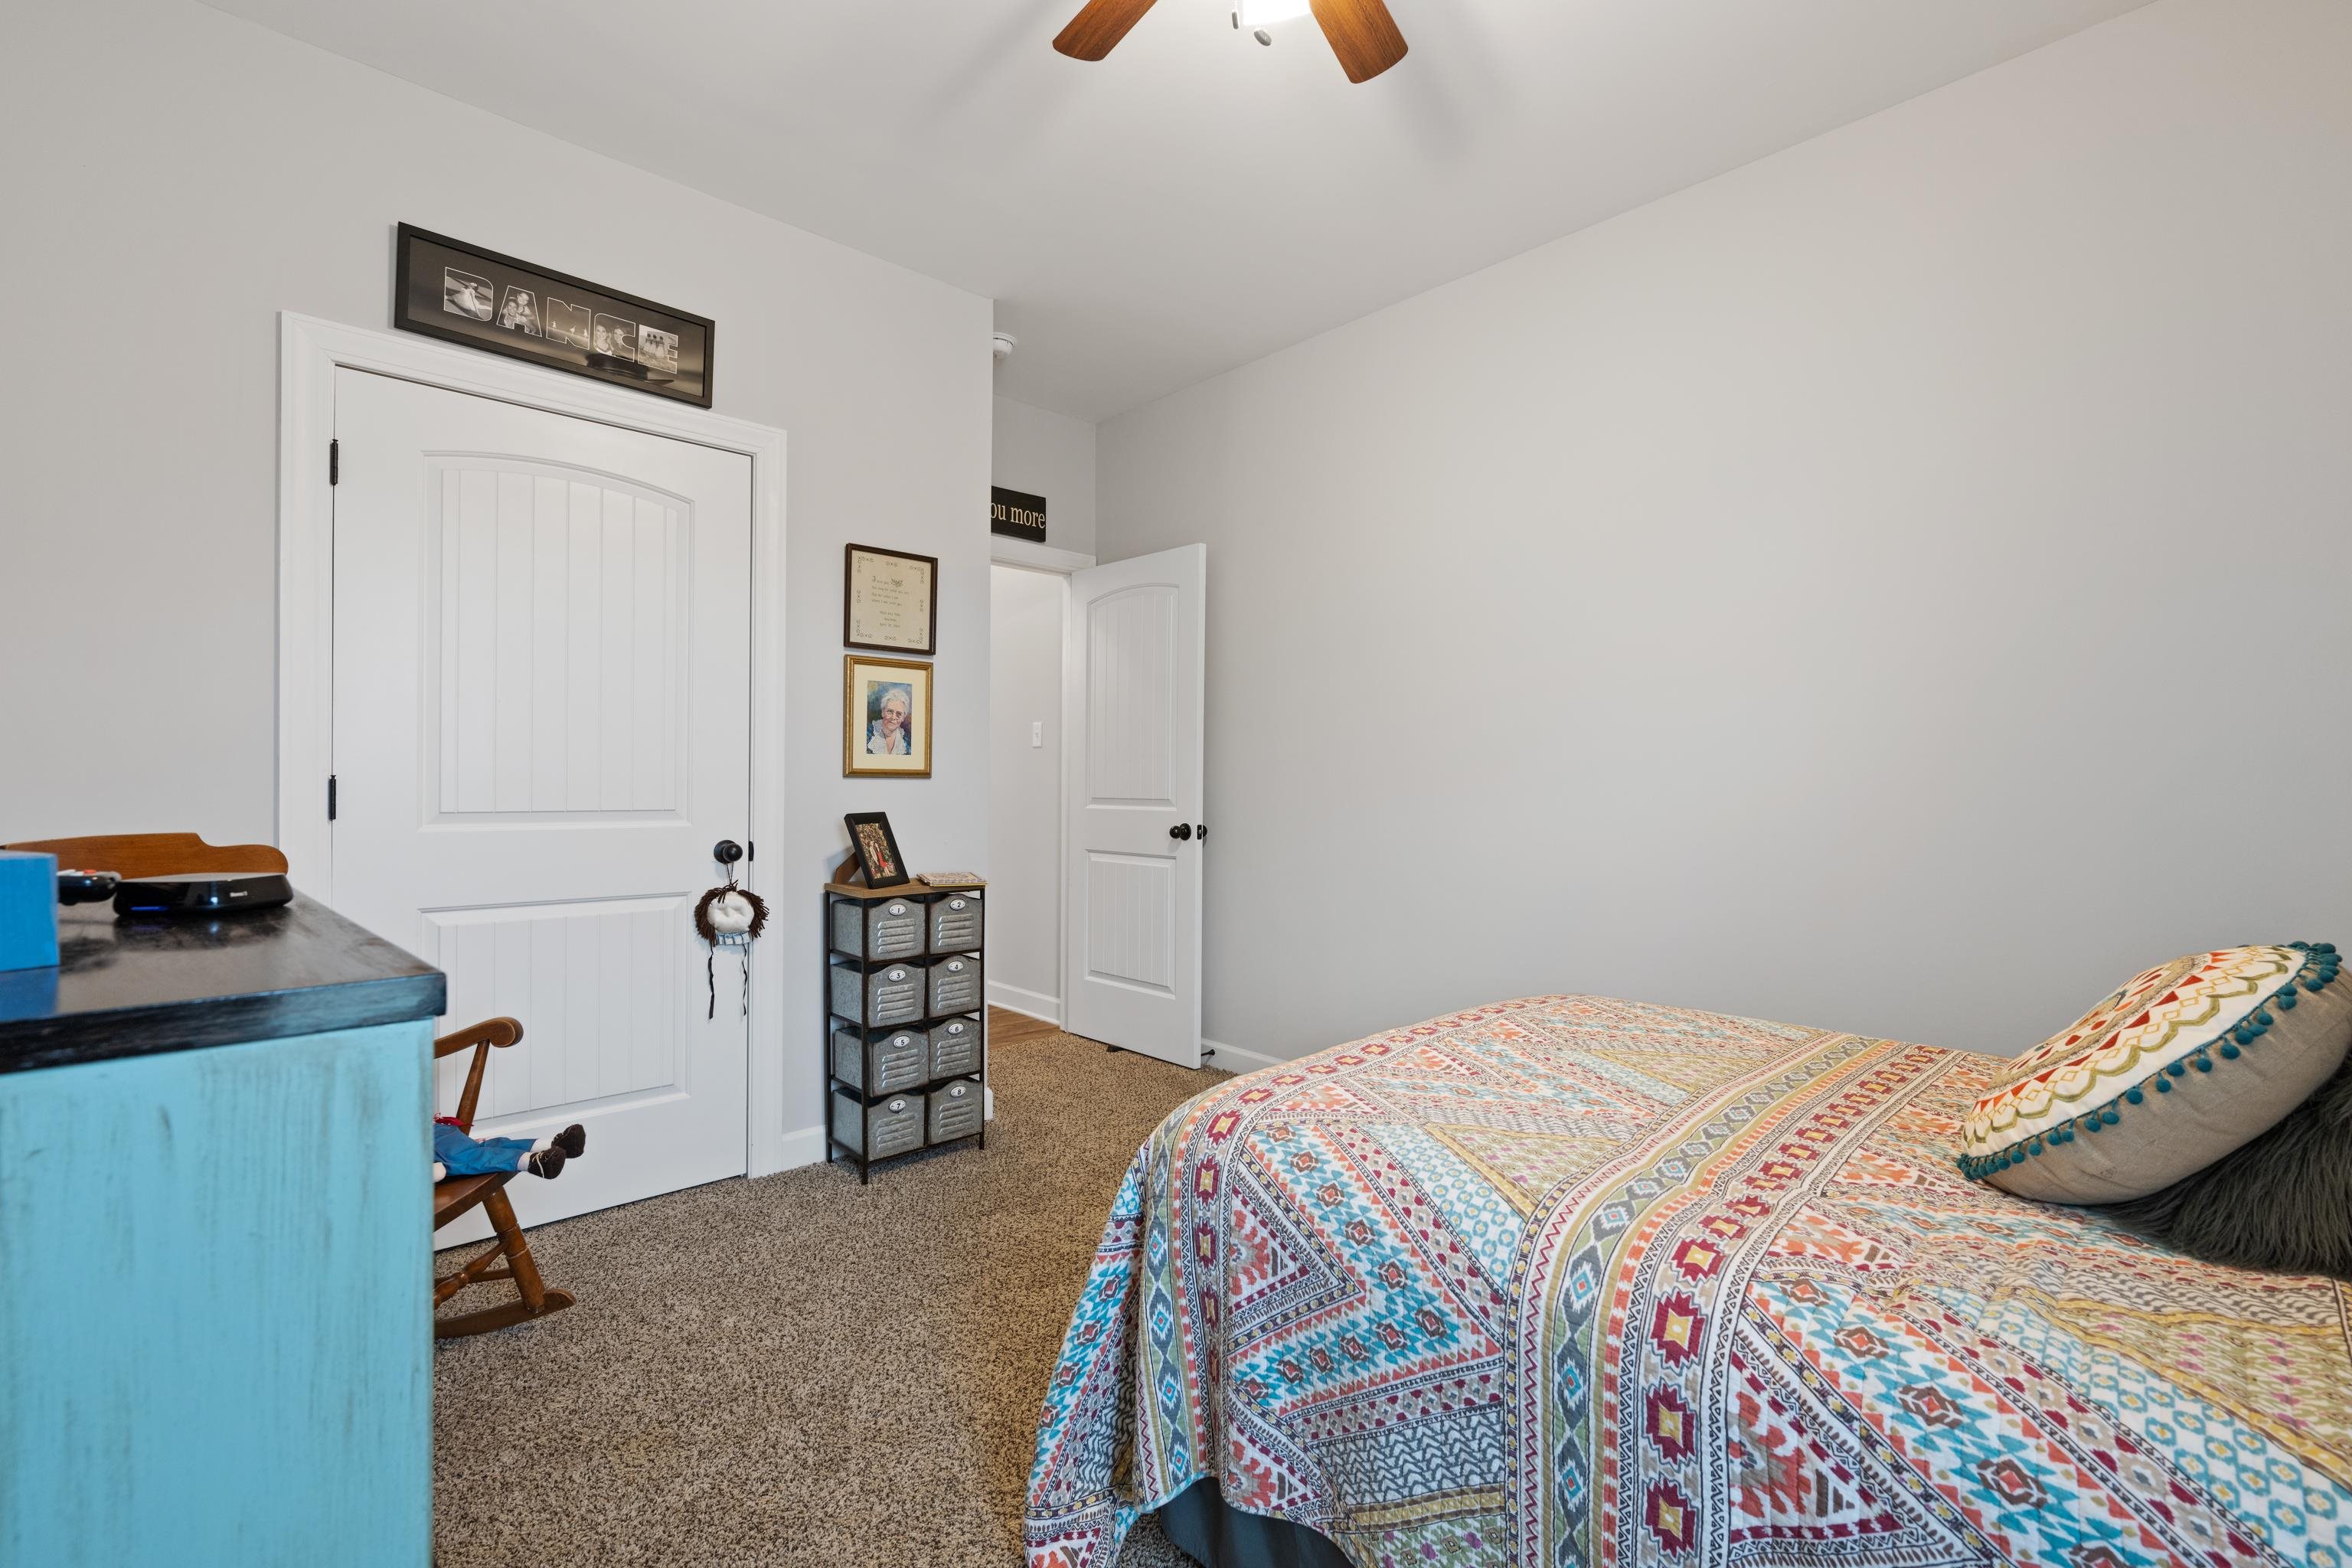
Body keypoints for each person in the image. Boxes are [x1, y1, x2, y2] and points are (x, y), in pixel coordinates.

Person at [433, 1119, 586, 1181]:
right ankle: (532, 1162)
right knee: (470, 1156)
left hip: (439, 1133)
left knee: (495, 1145)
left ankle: (556, 1144)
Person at [867, 688, 912, 755]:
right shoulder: (867, 733)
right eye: (890, 711)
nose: (893, 717)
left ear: (903, 717)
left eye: (899, 714)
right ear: (883, 712)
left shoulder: (907, 742)